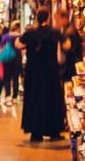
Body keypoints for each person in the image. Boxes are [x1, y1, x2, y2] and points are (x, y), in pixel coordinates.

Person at [15, 8, 65, 142]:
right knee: (51, 101)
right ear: (48, 18)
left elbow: (18, 44)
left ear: (37, 18)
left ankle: (36, 134)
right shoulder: (54, 32)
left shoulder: (30, 33)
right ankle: (53, 132)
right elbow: (67, 44)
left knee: (34, 100)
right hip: (50, 72)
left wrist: (28, 47)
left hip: (34, 72)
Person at [1, 21, 22, 106]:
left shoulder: (5, 36)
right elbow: (23, 49)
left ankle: (8, 97)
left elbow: (1, 48)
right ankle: (14, 97)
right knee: (16, 78)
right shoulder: (20, 36)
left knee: (7, 78)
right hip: (17, 58)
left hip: (8, 58)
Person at [56, 11, 82, 82]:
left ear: (64, 18)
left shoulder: (69, 32)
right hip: (71, 65)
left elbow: (69, 50)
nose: (57, 23)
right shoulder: (67, 29)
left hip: (71, 66)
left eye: (58, 20)